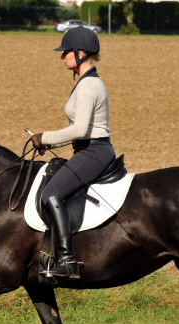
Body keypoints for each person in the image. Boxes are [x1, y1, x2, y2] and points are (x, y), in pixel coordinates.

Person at [31, 26, 116, 281]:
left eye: (65, 51)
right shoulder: (85, 82)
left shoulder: (89, 85)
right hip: (87, 149)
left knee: (51, 193)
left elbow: (79, 129)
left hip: (94, 151)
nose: (62, 56)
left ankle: (67, 261)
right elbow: (78, 130)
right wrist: (52, 144)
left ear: (80, 53)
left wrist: (44, 136)